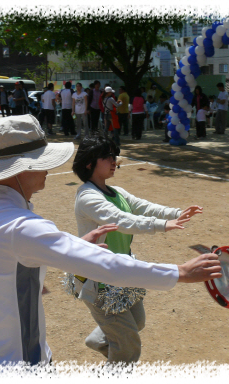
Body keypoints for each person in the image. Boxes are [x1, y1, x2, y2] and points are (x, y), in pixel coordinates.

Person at [0, 114, 222, 366]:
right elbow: (105, 264)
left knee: (133, 326)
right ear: (23, 167)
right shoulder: (21, 225)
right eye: (41, 161)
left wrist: (79, 244)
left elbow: (29, 256)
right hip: (15, 362)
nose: (48, 168)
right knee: (128, 343)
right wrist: (180, 272)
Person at [69, 135, 203, 364]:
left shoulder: (116, 191)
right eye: (107, 156)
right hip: (100, 280)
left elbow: (142, 206)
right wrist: (161, 225)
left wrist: (175, 213)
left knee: (137, 322)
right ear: (90, 163)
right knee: (128, 346)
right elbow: (121, 220)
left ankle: (98, 341)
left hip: (124, 272)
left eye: (114, 155)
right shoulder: (88, 197)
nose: (114, 160)